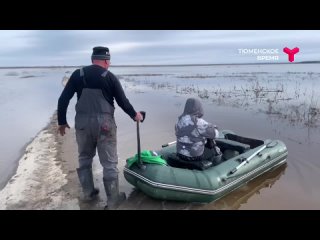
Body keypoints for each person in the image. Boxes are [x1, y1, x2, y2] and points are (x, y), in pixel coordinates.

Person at [57, 46, 143, 209]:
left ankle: (88, 194)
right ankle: (113, 200)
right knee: (109, 163)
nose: (109, 64)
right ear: (105, 61)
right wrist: (135, 115)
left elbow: (63, 100)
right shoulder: (110, 77)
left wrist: (62, 121)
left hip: (82, 124)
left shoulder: (77, 74)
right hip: (105, 125)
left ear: (92, 59)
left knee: (84, 157)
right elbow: (123, 102)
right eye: (109, 61)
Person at [175, 98, 222, 166]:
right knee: (214, 149)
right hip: (195, 157)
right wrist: (213, 127)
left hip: (180, 154)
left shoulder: (179, 121)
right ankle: (214, 165)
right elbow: (216, 134)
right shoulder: (199, 122)